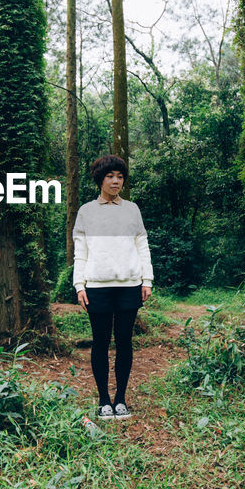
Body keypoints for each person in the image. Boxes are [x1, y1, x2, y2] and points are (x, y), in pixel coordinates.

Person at [72, 155, 153, 420]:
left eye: (119, 176)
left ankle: (121, 400)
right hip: (96, 287)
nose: (116, 181)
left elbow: (142, 245)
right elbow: (80, 252)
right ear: (100, 179)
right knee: (100, 342)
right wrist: (79, 284)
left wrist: (147, 279)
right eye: (110, 176)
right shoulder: (86, 211)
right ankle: (103, 400)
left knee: (125, 342)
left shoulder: (132, 209)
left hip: (129, 285)